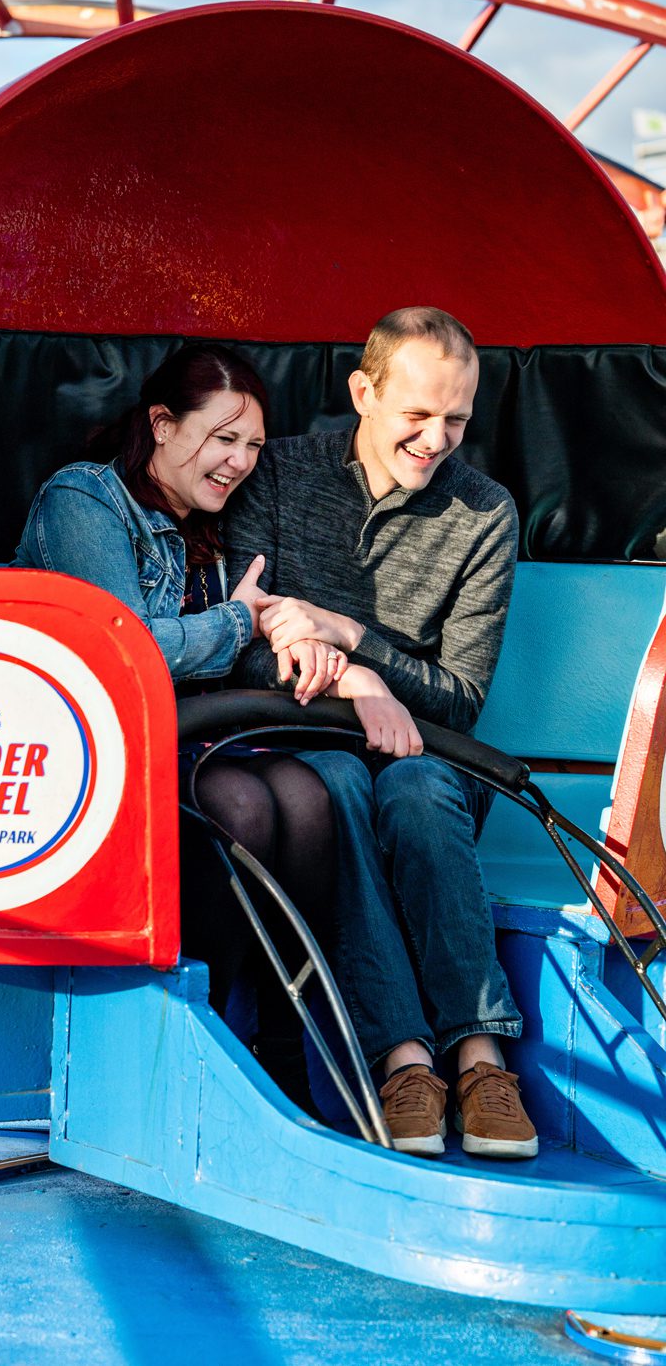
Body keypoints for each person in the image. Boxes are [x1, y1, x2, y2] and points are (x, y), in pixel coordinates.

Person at [222, 305, 536, 1160]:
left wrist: (349, 636)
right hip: (310, 749)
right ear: (364, 392)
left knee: (417, 788)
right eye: (417, 415)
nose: (438, 439)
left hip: (431, 760)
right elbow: (239, 650)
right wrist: (351, 689)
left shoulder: (484, 514)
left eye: (458, 419)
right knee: (343, 785)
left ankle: (478, 1060)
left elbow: (458, 699)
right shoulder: (278, 475)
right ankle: (405, 1059)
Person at [15, 343, 345, 1107]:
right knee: (245, 806)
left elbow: (259, 630)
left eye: (253, 446)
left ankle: (285, 1046)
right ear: (162, 425)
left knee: (309, 796)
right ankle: (206, 1036)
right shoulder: (86, 499)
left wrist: (293, 635)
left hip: (199, 738)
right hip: (99, 753)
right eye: (222, 438)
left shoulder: (219, 525)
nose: (238, 462)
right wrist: (239, 622)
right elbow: (126, 649)